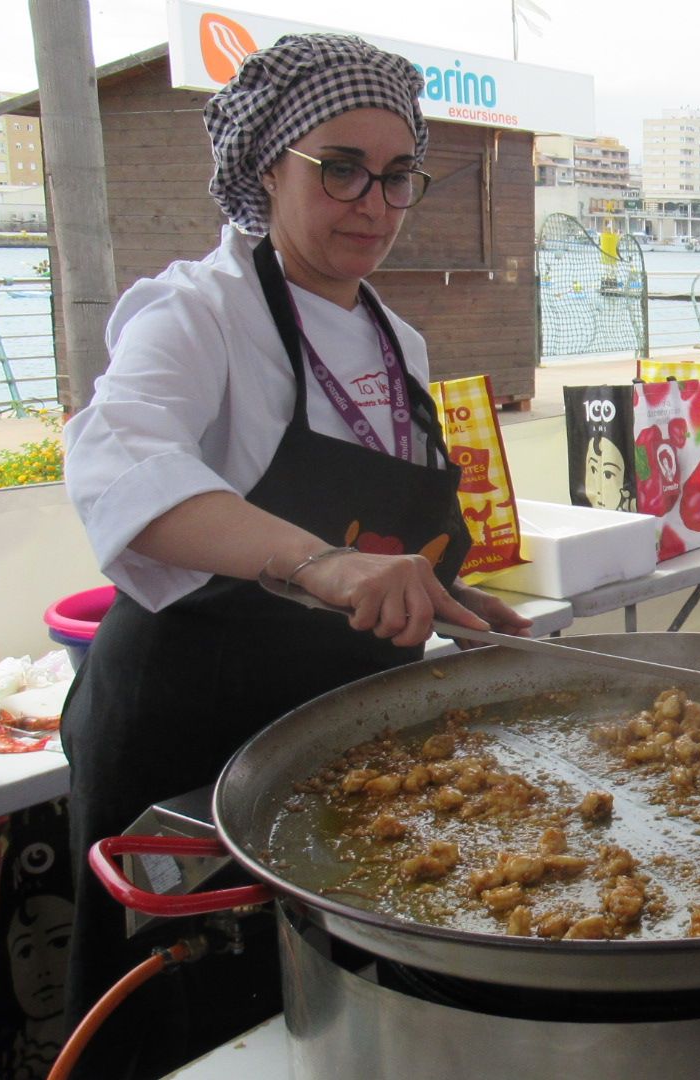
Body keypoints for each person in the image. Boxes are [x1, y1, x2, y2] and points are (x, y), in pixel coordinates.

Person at [59, 34, 531, 1077]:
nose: (373, 199)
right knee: (189, 1027)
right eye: (341, 167)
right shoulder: (199, 313)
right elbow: (116, 462)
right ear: (269, 164)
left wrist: (443, 595)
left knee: (323, 1020)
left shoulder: (395, 341)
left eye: (398, 173)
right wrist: (318, 563)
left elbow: (385, 531)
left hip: (335, 736)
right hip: (189, 730)